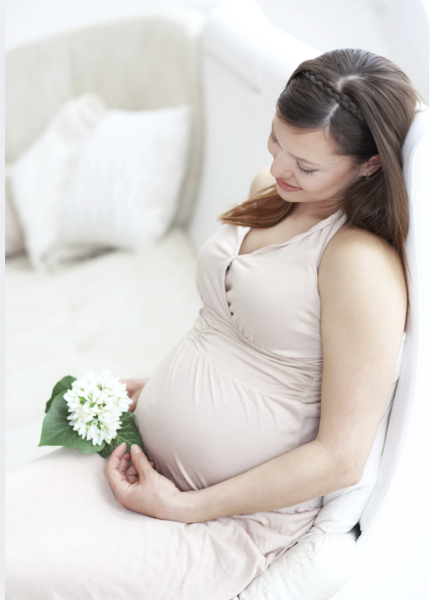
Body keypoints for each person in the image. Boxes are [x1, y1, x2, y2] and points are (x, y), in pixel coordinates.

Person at [5, 48, 420, 600]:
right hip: (142, 461)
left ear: (369, 164)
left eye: (307, 164)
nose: (279, 169)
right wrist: (162, 388)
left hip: (222, 521)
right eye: (277, 142)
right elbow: (237, 329)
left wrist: (183, 507)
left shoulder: (358, 264)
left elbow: (340, 458)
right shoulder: (271, 195)